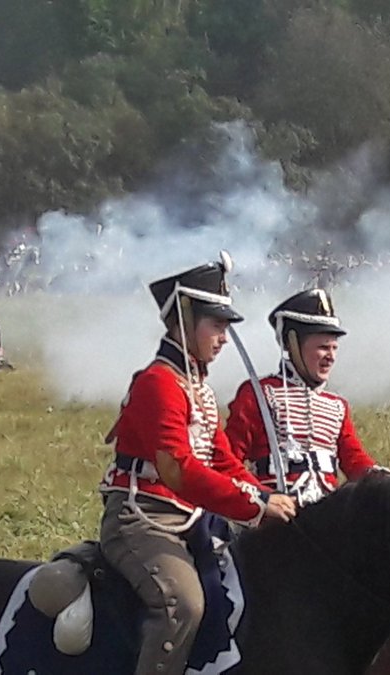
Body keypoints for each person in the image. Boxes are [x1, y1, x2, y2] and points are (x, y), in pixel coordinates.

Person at [98, 255, 295, 675]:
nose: (224, 338)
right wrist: (252, 507)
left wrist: (265, 495)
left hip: (189, 520)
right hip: (142, 520)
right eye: (217, 325)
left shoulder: (197, 388)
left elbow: (221, 459)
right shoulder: (158, 383)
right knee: (183, 603)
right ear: (185, 322)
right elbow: (177, 469)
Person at [226, 288, 385, 505]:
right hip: (273, 517)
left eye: (334, 348)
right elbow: (228, 458)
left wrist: (380, 479)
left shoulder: (337, 406)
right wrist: (262, 498)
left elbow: (354, 459)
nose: (331, 357)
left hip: (329, 511)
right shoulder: (259, 393)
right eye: (322, 348)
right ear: (293, 345)